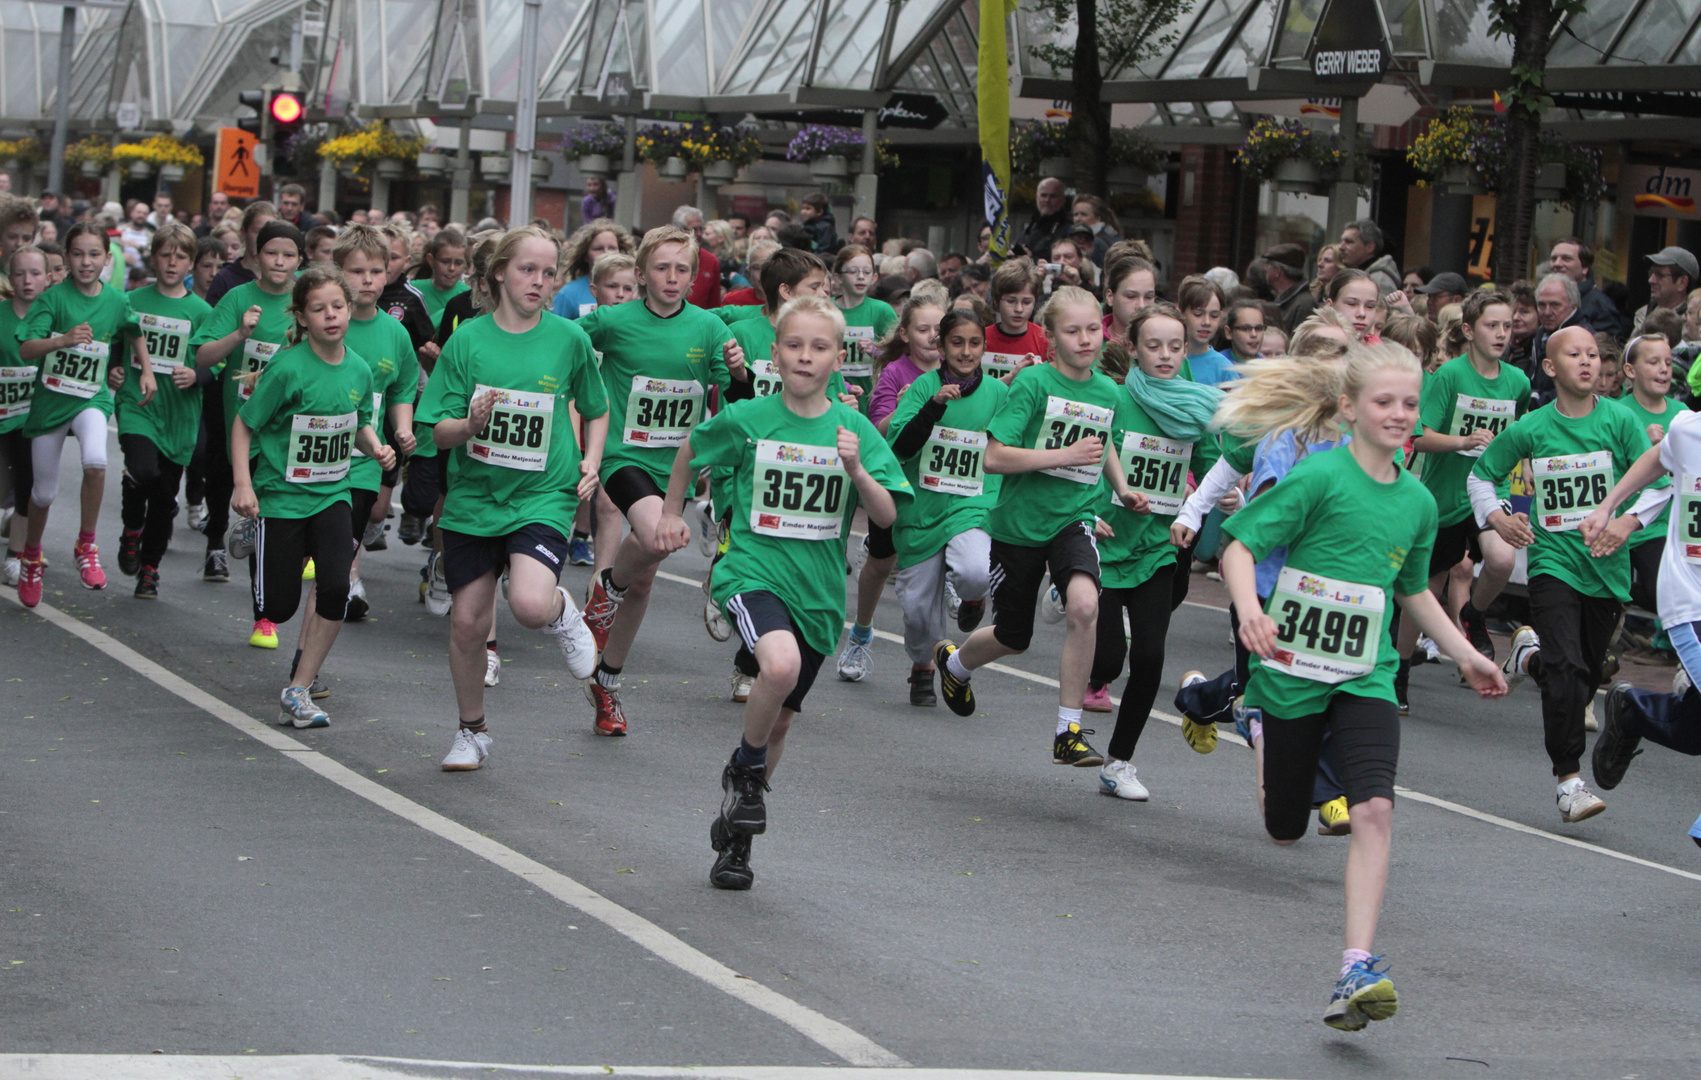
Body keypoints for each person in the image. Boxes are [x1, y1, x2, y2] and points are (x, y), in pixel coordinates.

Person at [1219, 340, 1504, 1031]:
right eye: (1384, 402)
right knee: (1285, 829)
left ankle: (1354, 967)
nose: (1400, 414)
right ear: (1347, 408)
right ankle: (1250, 719)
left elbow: (1411, 590)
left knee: (1374, 810)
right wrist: (1251, 612)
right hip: (1291, 674)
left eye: (1409, 403)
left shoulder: (1414, 503)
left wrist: (1463, 653)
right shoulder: (1318, 480)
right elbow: (1238, 546)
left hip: (1364, 674)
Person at [652, 294, 910, 889]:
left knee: (782, 723)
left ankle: (735, 842)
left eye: (819, 347)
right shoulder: (749, 420)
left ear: (839, 358)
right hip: (751, 572)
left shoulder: (854, 430)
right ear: (775, 353)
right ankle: (745, 770)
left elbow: (888, 514)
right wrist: (670, 511)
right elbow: (692, 449)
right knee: (780, 665)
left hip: (818, 593)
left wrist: (858, 471)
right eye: (794, 345)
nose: (805, 356)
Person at [414, 226, 606, 769]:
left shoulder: (568, 339)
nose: (540, 282)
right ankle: (471, 731)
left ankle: (563, 613)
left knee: (525, 605)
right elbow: (436, 432)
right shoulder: (468, 340)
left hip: (543, 493)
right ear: (499, 271)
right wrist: (469, 424)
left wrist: (591, 460)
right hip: (475, 497)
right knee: (469, 623)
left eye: (549, 274)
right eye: (528, 270)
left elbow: (597, 406)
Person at [932, 286, 1145, 772]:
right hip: (1017, 527)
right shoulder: (1031, 386)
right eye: (1072, 331)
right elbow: (994, 456)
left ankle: (1068, 731)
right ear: (1049, 336)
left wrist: (1122, 485)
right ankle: (957, 664)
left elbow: (1103, 439)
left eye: (1093, 328)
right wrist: (1063, 456)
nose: (1086, 339)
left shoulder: (1109, 391)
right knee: (1014, 636)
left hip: (1074, 518)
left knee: (1086, 605)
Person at [1469, 326, 1653, 823]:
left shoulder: (1620, 422)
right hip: (1554, 563)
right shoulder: (1532, 428)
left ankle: (1528, 658)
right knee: (1569, 669)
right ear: (1550, 368)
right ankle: (1568, 780)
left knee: (1587, 672)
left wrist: (1625, 521)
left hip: (1609, 567)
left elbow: (1656, 480)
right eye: (1574, 354)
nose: (1588, 362)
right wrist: (1498, 517)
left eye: (1594, 354)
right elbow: (1481, 473)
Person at [574, 225, 747, 735]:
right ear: (641, 273)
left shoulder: (709, 328)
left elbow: (735, 405)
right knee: (655, 535)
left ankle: (607, 682)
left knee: (646, 575)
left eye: (683, 270)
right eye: (662, 268)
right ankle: (605, 591)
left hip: (679, 466)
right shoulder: (611, 321)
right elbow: (561, 350)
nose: (673, 279)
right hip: (625, 456)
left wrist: (738, 376)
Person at [231, 267, 390, 728]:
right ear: (302, 317)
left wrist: (374, 446)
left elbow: (357, 421)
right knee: (277, 607)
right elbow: (245, 424)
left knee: (336, 589)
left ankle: (299, 688)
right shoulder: (286, 368)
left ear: (349, 309)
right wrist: (243, 484)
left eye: (337, 306)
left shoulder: (359, 369)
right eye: (318, 309)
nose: (331, 315)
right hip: (281, 497)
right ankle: (249, 527)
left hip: (332, 495)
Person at [1083, 303, 1225, 797]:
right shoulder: (1113, 398)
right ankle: (1068, 597)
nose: (1165, 355)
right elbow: (1086, 456)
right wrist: (1087, 512)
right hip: (1103, 538)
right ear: (1133, 349)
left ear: (1186, 350)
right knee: (1105, 663)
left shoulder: (1197, 406)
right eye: (1153, 345)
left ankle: (1119, 762)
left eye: (1175, 346)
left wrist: (1222, 491)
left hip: (1159, 548)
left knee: (1148, 658)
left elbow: (1215, 469)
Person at [1388, 291, 1530, 710]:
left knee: (1502, 559)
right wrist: (1464, 441)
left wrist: (1519, 506)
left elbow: (1518, 445)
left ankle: (1474, 614)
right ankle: (1399, 673)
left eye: (1507, 326)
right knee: (1425, 590)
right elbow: (1419, 438)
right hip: (1445, 495)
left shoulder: (1518, 383)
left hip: (1490, 490)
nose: (1501, 334)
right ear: (1468, 330)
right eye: (1491, 325)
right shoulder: (1450, 376)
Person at [13, 222, 157, 606]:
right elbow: (27, 348)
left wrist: (145, 369)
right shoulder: (53, 298)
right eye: (77, 254)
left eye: (94, 254)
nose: (86, 262)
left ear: (107, 259)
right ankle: (30, 555)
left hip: (91, 398)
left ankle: (86, 545)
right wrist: (62, 340)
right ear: (67, 257)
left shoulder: (115, 299)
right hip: (51, 404)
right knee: (43, 494)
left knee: (96, 460)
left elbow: (133, 330)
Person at [883, 308, 1004, 705]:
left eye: (974, 343)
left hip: (973, 505)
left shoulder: (999, 395)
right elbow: (899, 448)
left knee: (974, 570)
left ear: (985, 347)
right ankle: (922, 665)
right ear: (941, 346)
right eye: (957, 342)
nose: (966, 352)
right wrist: (933, 406)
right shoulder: (922, 389)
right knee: (918, 609)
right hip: (921, 510)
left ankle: (972, 598)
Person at [191, 220, 304, 627]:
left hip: (292, 432)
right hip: (244, 426)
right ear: (256, 255)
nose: (279, 261)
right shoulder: (239, 296)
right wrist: (239, 334)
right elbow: (202, 356)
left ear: (300, 260)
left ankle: (263, 553)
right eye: (272, 252)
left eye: (288, 255)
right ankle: (264, 616)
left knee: (275, 520)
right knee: (263, 517)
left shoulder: (306, 299)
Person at [836, 297, 945, 683]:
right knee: (881, 565)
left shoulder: (960, 373)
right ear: (905, 334)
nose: (933, 337)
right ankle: (861, 633)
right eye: (923, 329)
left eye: (939, 328)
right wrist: (904, 411)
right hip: (897, 480)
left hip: (941, 486)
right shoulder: (896, 373)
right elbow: (876, 432)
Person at [112, 224, 212, 599]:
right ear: (153, 257)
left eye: (181, 256)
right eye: (165, 254)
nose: (172, 262)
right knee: (142, 468)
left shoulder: (201, 311)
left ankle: (150, 567)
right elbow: (112, 340)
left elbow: (217, 361)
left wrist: (198, 374)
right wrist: (114, 368)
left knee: (165, 497)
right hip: (137, 402)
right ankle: (131, 530)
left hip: (179, 413)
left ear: (191, 263)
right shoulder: (132, 301)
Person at [331, 224, 420, 620]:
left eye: (376, 271)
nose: (367, 280)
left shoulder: (396, 334)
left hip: (367, 453)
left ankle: (349, 582)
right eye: (356, 271)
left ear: (390, 273)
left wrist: (403, 428)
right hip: (316, 450)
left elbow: (402, 389)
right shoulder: (327, 322)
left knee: (354, 518)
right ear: (338, 272)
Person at [1606, 333, 1682, 624]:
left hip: (1671, 525)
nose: (1664, 368)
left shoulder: (1683, 415)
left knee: (1669, 595)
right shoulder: (1616, 413)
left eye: (1668, 362)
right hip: (1627, 522)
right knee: (1655, 593)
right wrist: (1640, 446)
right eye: (1653, 362)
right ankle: (1619, 597)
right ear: (1630, 371)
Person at [0, 245, 48, 586]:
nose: (27, 281)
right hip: (2, 412)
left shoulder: (54, 318)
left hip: (34, 417)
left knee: (28, 485)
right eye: (19, 273)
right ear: (9, 277)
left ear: (48, 278)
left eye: (34, 274)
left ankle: (15, 556)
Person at [834, 244, 898, 409]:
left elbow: (899, 359)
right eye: (853, 271)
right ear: (838, 277)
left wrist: (876, 351)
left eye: (866, 272)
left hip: (870, 399)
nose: (861, 277)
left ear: (874, 277)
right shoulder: (825, 308)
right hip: (833, 394)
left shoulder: (882, 311)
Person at [550, 220, 635, 320]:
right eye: (598, 249)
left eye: (612, 248)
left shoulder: (635, 290)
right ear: (585, 255)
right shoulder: (568, 293)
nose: (606, 253)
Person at [1548, 236, 1628, 340]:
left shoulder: (1601, 305)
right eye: (1554, 259)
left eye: (1566, 258)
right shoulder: (1546, 299)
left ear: (1585, 268)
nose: (1557, 264)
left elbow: (1608, 350)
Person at [982, 258, 1047, 382]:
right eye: (1011, 301)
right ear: (996, 301)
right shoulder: (979, 339)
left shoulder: (1044, 341)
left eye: (1027, 302)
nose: (1019, 309)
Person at [409, 227, 470, 329]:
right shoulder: (413, 290)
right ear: (431, 260)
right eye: (445, 262)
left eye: (458, 263)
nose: (451, 268)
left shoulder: (469, 296)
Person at [1177, 274, 1231, 384]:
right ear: (1180, 314)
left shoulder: (1225, 369)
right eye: (1198, 314)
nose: (1206, 322)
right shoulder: (1166, 359)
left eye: (1214, 316)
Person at [1633, 246, 1697, 337]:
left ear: (1682, 283)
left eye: (1659, 275)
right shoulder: (1643, 314)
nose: (1651, 280)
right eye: (1651, 273)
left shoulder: (1693, 323)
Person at [671, 206, 723, 309]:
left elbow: (714, 304)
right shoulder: (666, 256)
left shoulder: (711, 261)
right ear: (679, 230)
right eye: (693, 229)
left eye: (701, 229)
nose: (699, 234)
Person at [1337, 219, 1400, 297]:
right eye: (1342, 241)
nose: (1341, 247)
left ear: (1370, 247)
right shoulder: (1362, 276)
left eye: (1349, 242)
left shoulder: (1380, 282)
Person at [1264, 243, 1316, 332]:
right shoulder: (1286, 300)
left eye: (1268, 265)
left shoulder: (1305, 305)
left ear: (1277, 271)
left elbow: (1300, 342)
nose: (1265, 269)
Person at [1017, 178, 1070, 260]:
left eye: (1053, 196)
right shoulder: (1031, 226)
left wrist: (1031, 258)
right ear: (1036, 197)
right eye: (1043, 195)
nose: (1047, 200)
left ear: (1062, 200)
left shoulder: (1068, 229)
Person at [1326, 268, 1381, 342]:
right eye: (1352, 304)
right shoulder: (1311, 349)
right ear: (1330, 306)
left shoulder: (1382, 351)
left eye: (1370, 306)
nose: (1362, 313)